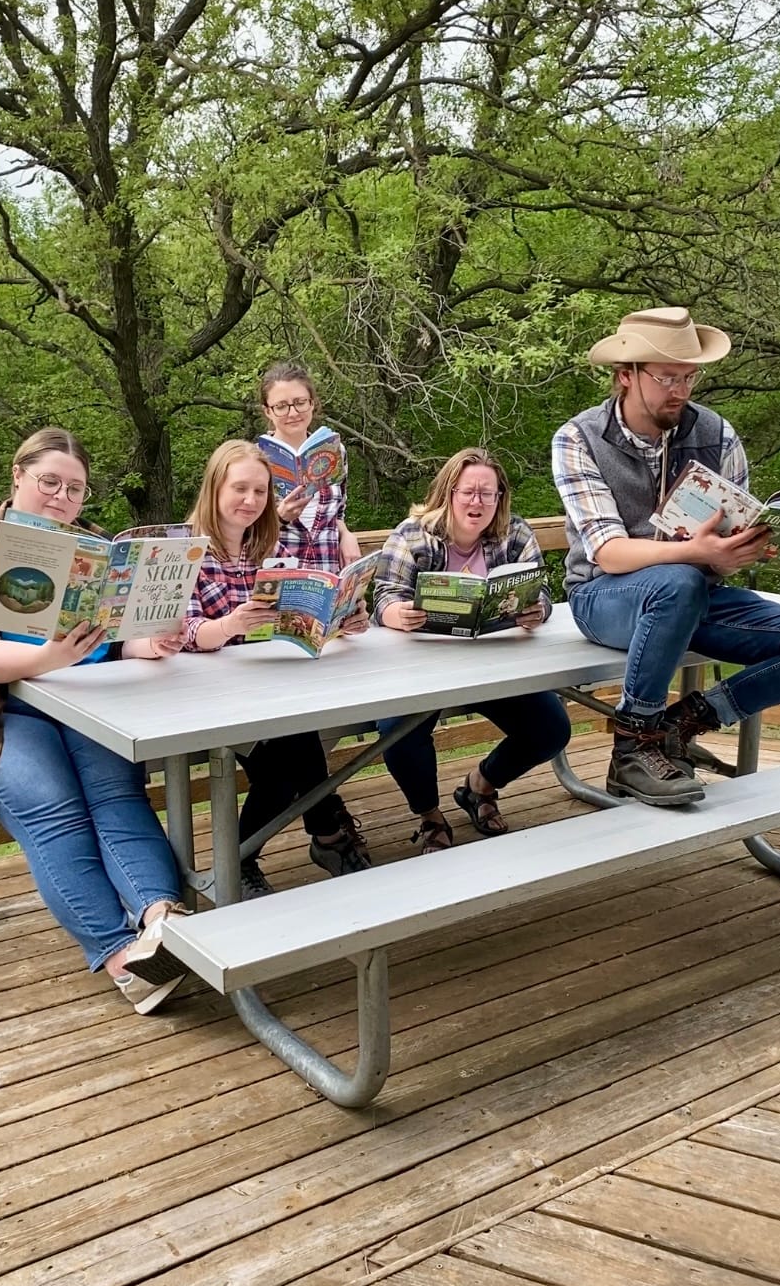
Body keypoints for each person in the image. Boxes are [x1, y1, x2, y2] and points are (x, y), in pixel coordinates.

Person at [0, 429, 190, 1013]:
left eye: (75, 489)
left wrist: (149, 641)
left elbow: (116, 640)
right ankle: (122, 958)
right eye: (49, 482)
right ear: (18, 476)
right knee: (52, 809)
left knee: (118, 794)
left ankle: (162, 922)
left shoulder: (97, 547)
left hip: (88, 700)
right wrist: (46, 658)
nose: (61, 497)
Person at [552, 305, 780, 807]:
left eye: (689, 377)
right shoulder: (578, 438)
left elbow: (728, 532)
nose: (680, 390)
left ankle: (688, 721)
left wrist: (731, 553)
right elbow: (608, 553)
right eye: (666, 378)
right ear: (626, 375)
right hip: (603, 597)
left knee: (686, 584)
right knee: (677, 581)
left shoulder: (718, 434)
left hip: (699, 593)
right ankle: (634, 745)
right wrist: (695, 552)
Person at [184, 438, 372, 896]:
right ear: (215, 488)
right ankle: (296, 843)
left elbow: (295, 618)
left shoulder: (269, 544)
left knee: (295, 741)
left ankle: (258, 854)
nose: (251, 500)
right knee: (288, 759)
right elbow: (185, 630)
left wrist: (341, 620)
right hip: (203, 695)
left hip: (267, 686)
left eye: (260, 491)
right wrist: (228, 626)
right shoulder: (186, 550)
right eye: (240, 489)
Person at [373, 447, 571, 852]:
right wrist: (396, 613)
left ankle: (480, 785)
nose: (476, 502)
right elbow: (384, 596)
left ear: (500, 498)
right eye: (468, 492)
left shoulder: (516, 533)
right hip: (422, 668)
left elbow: (542, 592)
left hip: (495, 665)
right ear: (449, 492)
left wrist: (537, 610)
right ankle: (429, 815)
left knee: (552, 729)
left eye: (487, 493)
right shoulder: (412, 534)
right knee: (396, 730)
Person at [259, 360, 361, 571]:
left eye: (300, 402)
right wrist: (279, 517)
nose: (293, 413)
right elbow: (240, 530)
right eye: (281, 406)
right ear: (268, 411)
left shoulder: (335, 450)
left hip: (327, 571)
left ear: (312, 403)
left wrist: (346, 534)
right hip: (278, 574)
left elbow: (338, 512)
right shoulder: (254, 460)